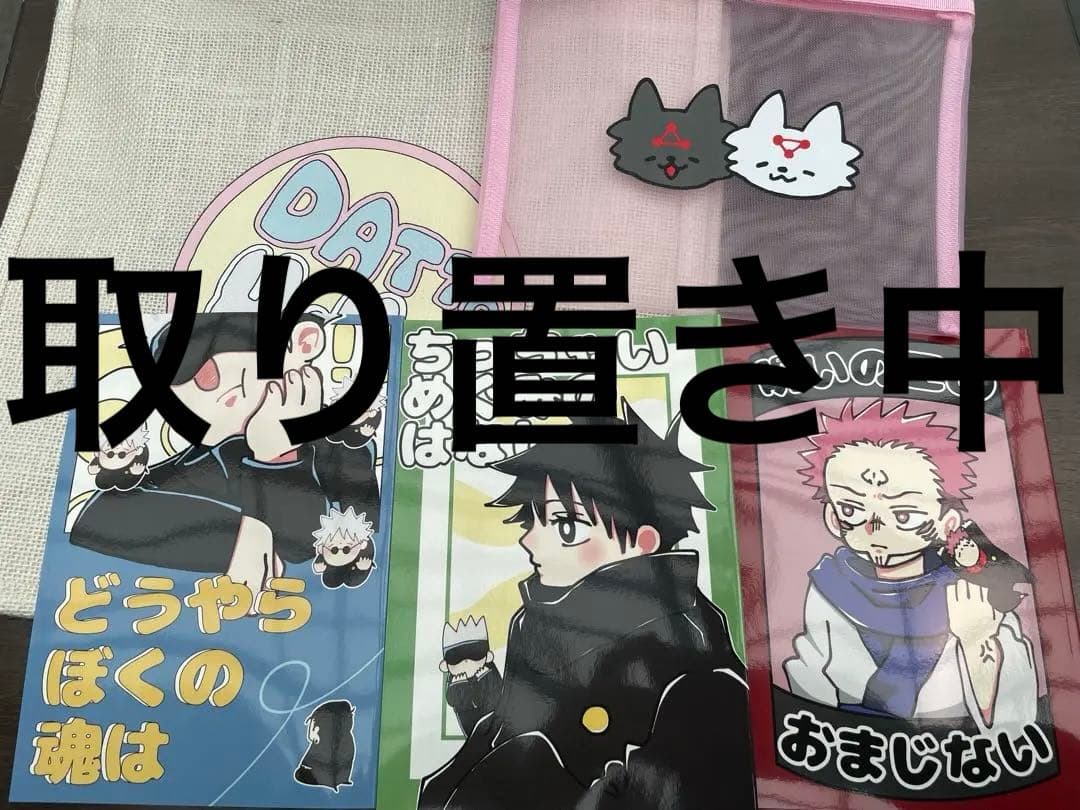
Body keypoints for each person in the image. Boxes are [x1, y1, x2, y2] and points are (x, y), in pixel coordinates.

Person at [418, 402, 754, 810]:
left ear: (643, 542)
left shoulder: (685, 652)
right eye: (533, 521)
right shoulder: (537, 622)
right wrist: (475, 687)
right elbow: (517, 731)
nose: (530, 541)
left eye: (564, 527)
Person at [70, 311, 381, 594]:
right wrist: (242, 533)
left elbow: (323, 544)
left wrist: (278, 458)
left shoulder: (347, 448)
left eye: (208, 380)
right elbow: (97, 518)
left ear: (303, 344)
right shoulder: (211, 456)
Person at [785, 399, 1037, 733]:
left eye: (903, 515)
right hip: (845, 744)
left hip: (953, 749)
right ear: (832, 516)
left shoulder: (972, 588)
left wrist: (977, 639)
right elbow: (809, 677)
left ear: (947, 523)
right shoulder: (830, 586)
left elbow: (1018, 718)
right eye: (851, 510)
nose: (873, 529)